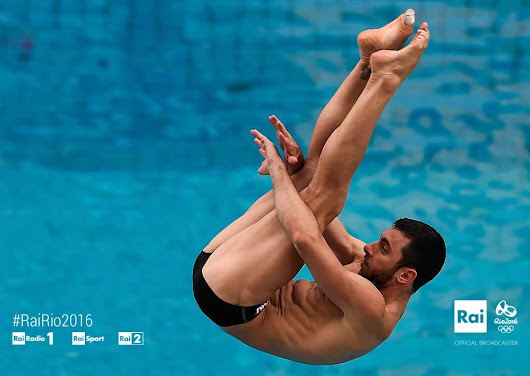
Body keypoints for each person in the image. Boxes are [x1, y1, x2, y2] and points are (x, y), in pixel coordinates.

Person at [193, 10, 446, 365]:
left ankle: (385, 80)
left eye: (384, 247)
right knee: (313, 176)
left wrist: (281, 174)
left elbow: (305, 237)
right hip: (228, 270)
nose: (369, 247)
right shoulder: (379, 270)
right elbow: (322, 225)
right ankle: (367, 63)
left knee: (325, 197)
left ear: (406, 275)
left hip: (233, 297)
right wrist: (298, 175)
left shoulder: (372, 312)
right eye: (380, 239)